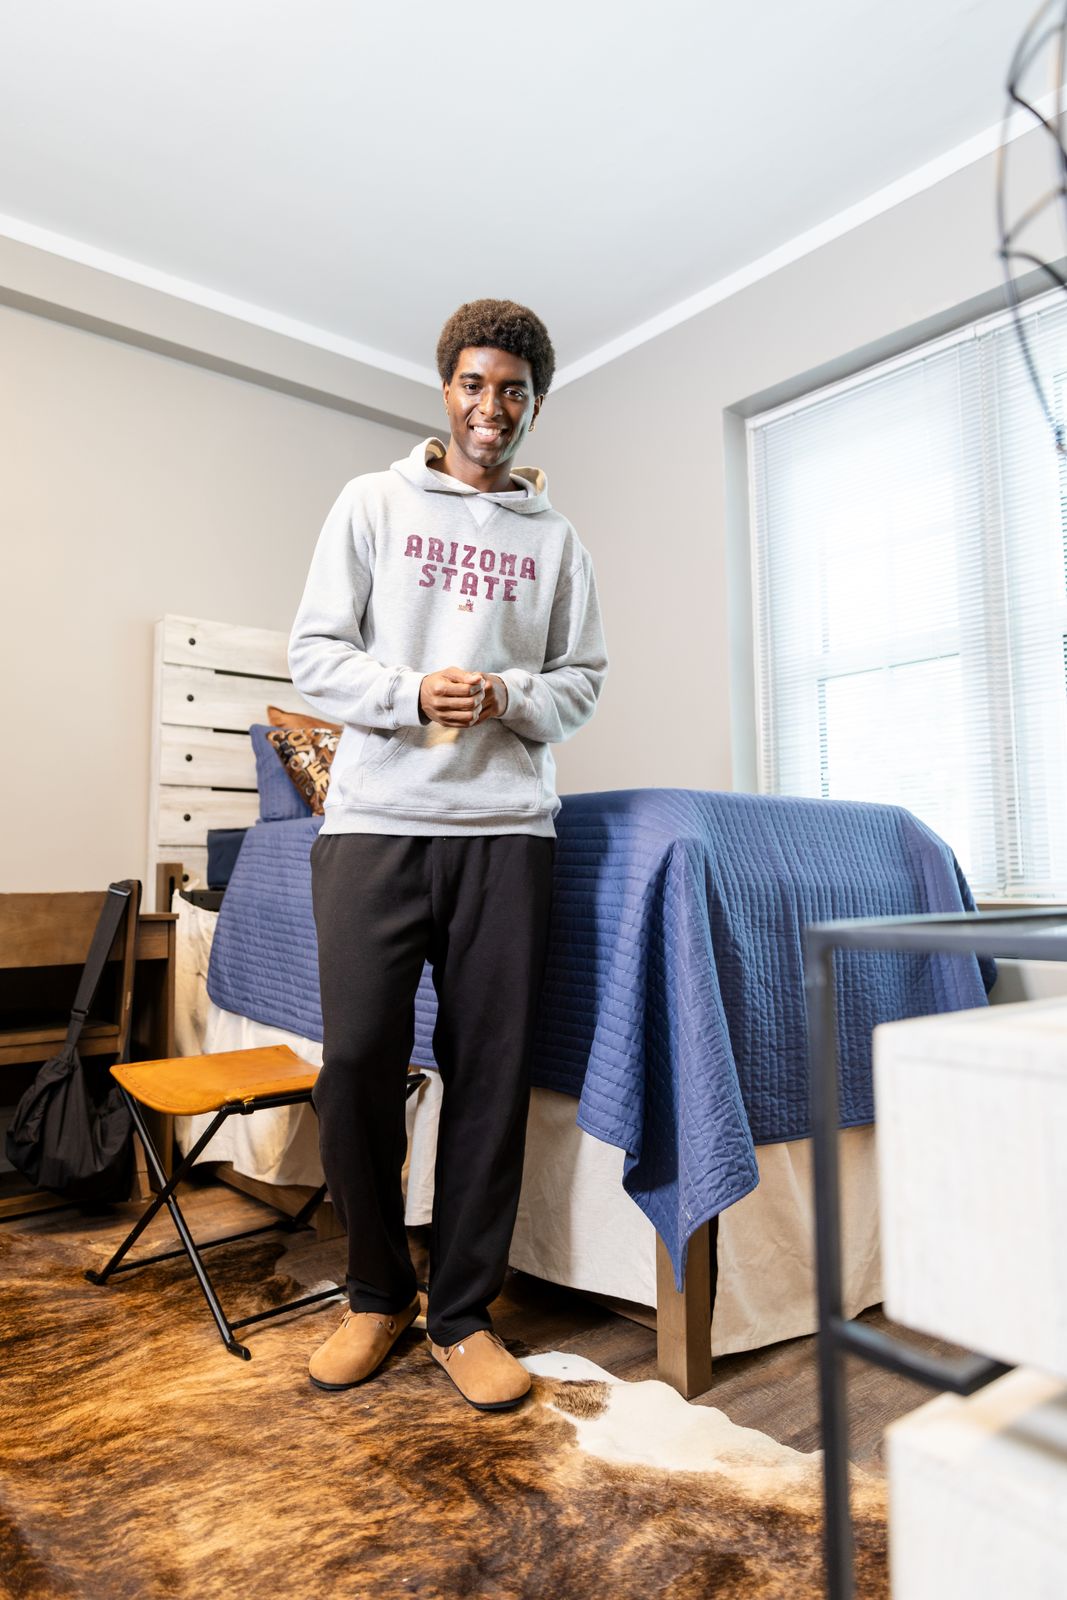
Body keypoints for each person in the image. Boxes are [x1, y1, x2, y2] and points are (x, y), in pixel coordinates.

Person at [288, 298, 607, 1411]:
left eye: (513, 391)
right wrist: (411, 691)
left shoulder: (555, 540)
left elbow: (581, 681)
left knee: (489, 1075)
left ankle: (463, 1314)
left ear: (532, 405)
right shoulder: (371, 503)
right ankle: (375, 1293)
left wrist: (508, 696)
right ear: (446, 390)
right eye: (475, 384)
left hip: (505, 837)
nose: (491, 407)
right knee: (356, 1063)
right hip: (374, 824)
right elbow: (314, 655)